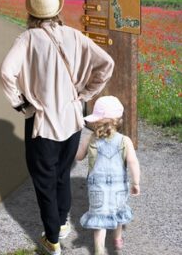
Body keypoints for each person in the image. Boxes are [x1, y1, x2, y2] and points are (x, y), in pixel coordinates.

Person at [0, 0, 115, 255]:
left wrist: (21, 104)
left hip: (43, 122)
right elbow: (106, 63)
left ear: (31, 13)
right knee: (62, 174)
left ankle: (52, 240)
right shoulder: (75, 35)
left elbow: (6, 73)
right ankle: (62, 223)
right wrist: (86, 93)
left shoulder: (27, 40)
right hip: (72, 120)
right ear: (58, 9)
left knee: (44, 180)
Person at [76, 96, 140, 255]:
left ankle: (99, 251)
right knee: (117, 213)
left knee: (99, 221)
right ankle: (117, 240)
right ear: (117, 120)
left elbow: (78, 156)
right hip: (119, 188)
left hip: (97, 189)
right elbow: (133, 163)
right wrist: (136, 182)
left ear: (96, 120)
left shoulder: (90, 138)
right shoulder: (125, 141)